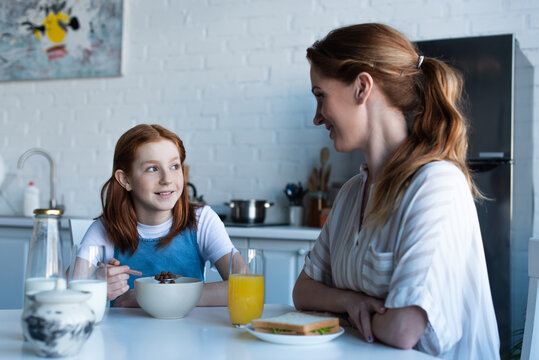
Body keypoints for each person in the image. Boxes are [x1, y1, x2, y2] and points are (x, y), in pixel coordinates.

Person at [292, 23, 500, 359]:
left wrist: (340, 314)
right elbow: (302, 291)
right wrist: (352, 302)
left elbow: (403, 330)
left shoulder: (437, 184)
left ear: (362, 87)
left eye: (321, 96)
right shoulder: (350, 193)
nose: (318, 117)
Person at [78, 124, 239, 307]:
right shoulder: (105, 229)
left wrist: (148, 297)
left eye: (174, 166)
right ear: (125, 180)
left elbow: (245, 286)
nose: (167, 179)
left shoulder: (202, 220)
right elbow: (70, 290)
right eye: (153, 169)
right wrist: (96, 284)